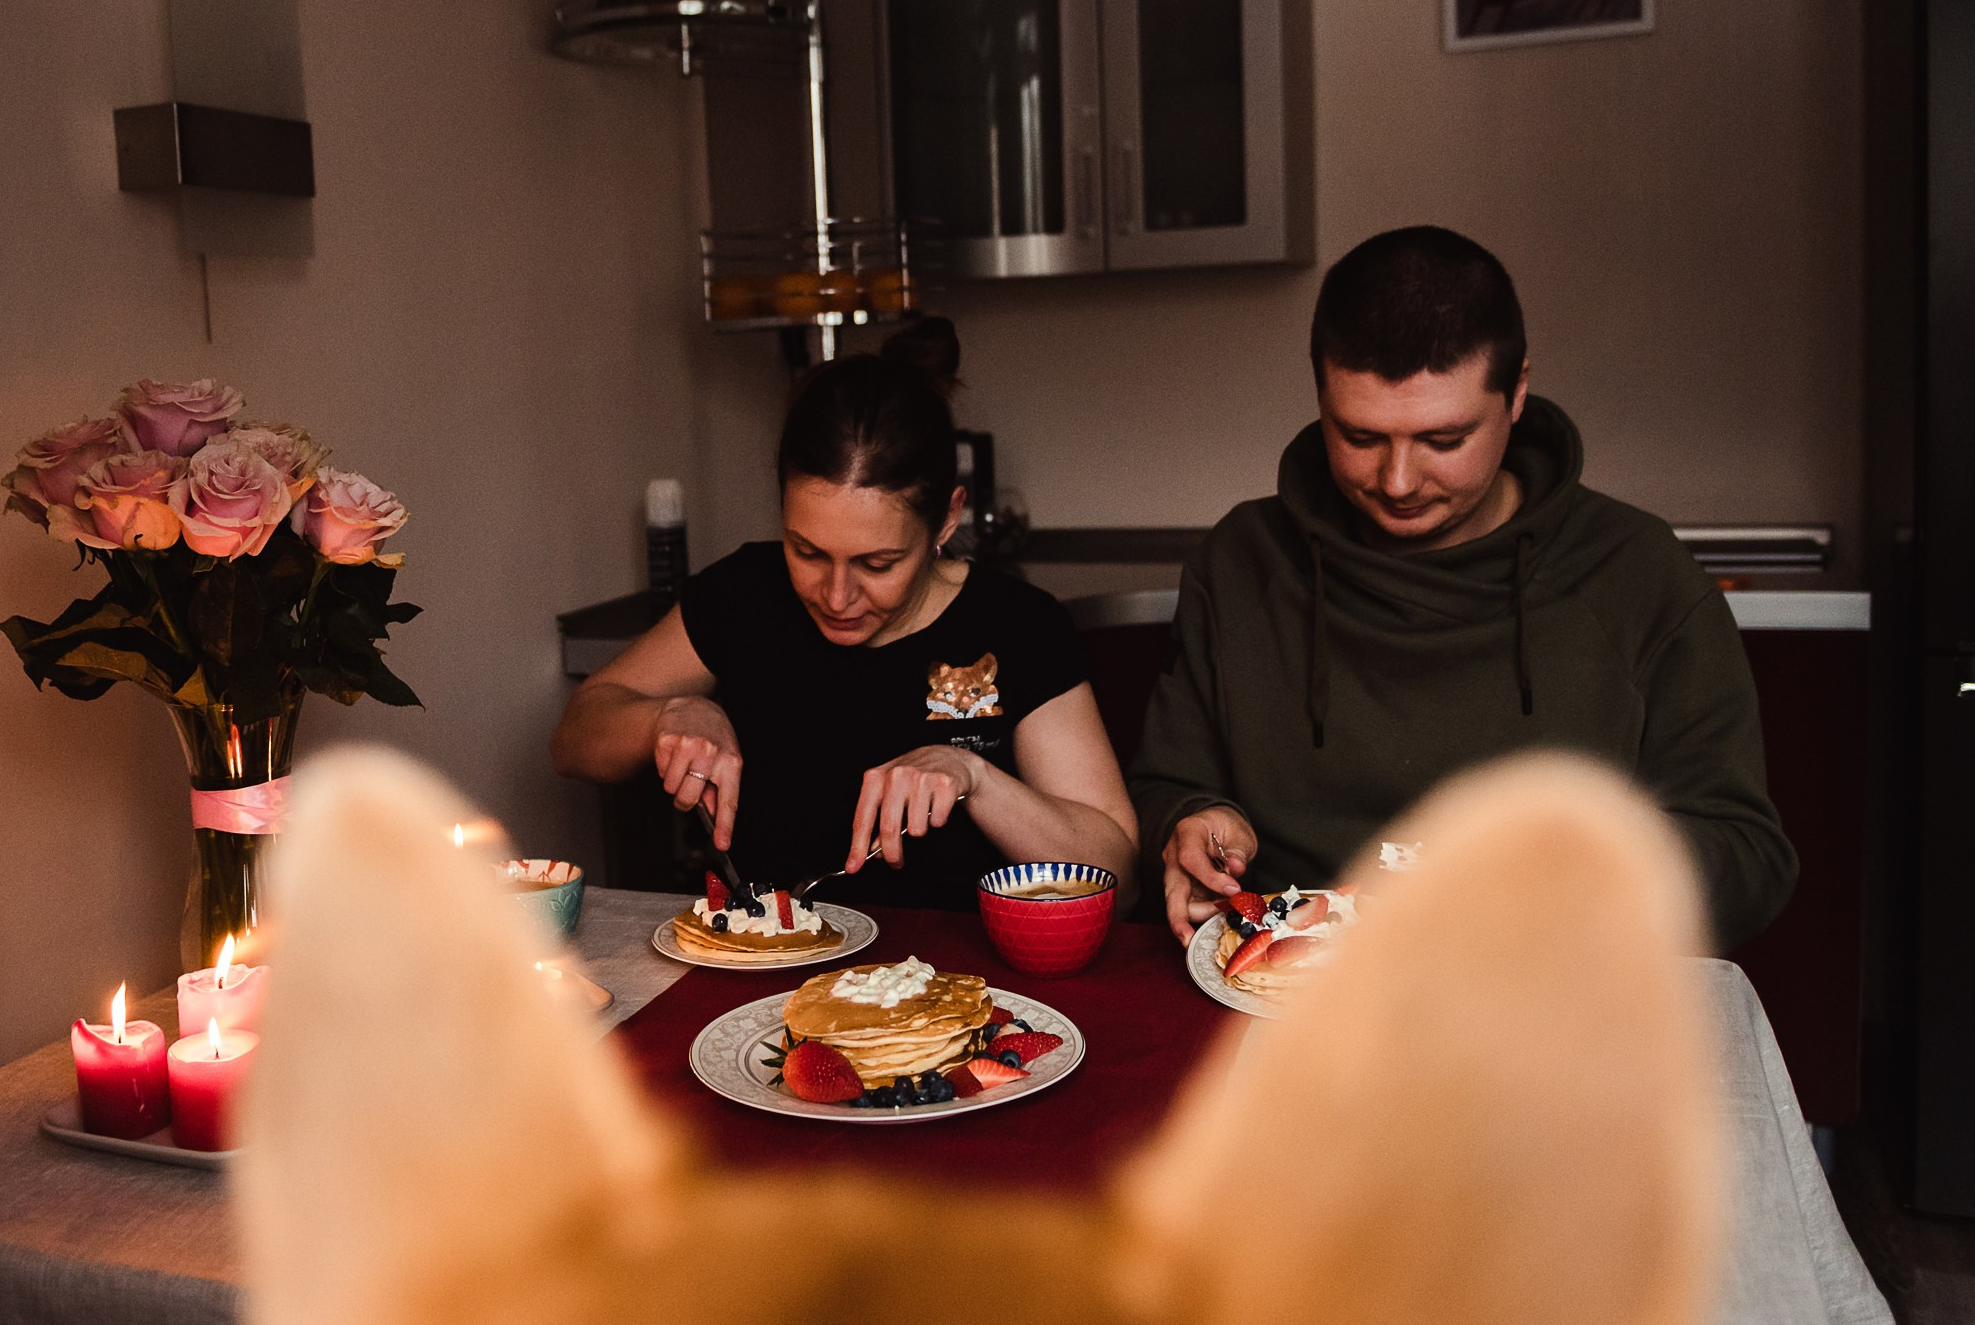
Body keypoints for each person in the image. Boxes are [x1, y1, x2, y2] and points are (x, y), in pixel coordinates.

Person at [1130, 226, 1797, 951]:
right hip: (1287, 998)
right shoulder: (1241, 562)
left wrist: (1583, 866)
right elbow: (1167, 783)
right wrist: (1190, 821)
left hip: (1543, 1006)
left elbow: (1748, 862)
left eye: (1444, 441)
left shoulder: (1639, 574)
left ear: (1516, 394)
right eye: (1358, 436)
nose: (1397, 481)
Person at [551, 320, 1137, 910]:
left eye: (878, 564)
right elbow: (574, 738)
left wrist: (975, 778)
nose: (835, 597)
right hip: (776, 975)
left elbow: (1118, 866)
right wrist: (669, 715)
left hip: (969, 989)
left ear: (948, 519)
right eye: (806, 551)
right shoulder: (746, 594)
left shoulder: (1016, 625)